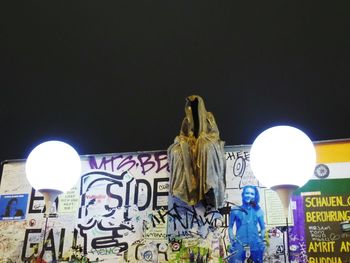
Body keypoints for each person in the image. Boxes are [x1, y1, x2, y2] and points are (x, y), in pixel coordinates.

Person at [228, 186, 265, 263]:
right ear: (243, 195)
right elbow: (230, 227)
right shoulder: (235, 210)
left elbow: (263, 228)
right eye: (247, 193)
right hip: (239, 243)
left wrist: (261, 240)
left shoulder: (258, 211)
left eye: (252, 194)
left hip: (255, 244)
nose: (249, 195)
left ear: (255, 196)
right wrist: (232, 241)